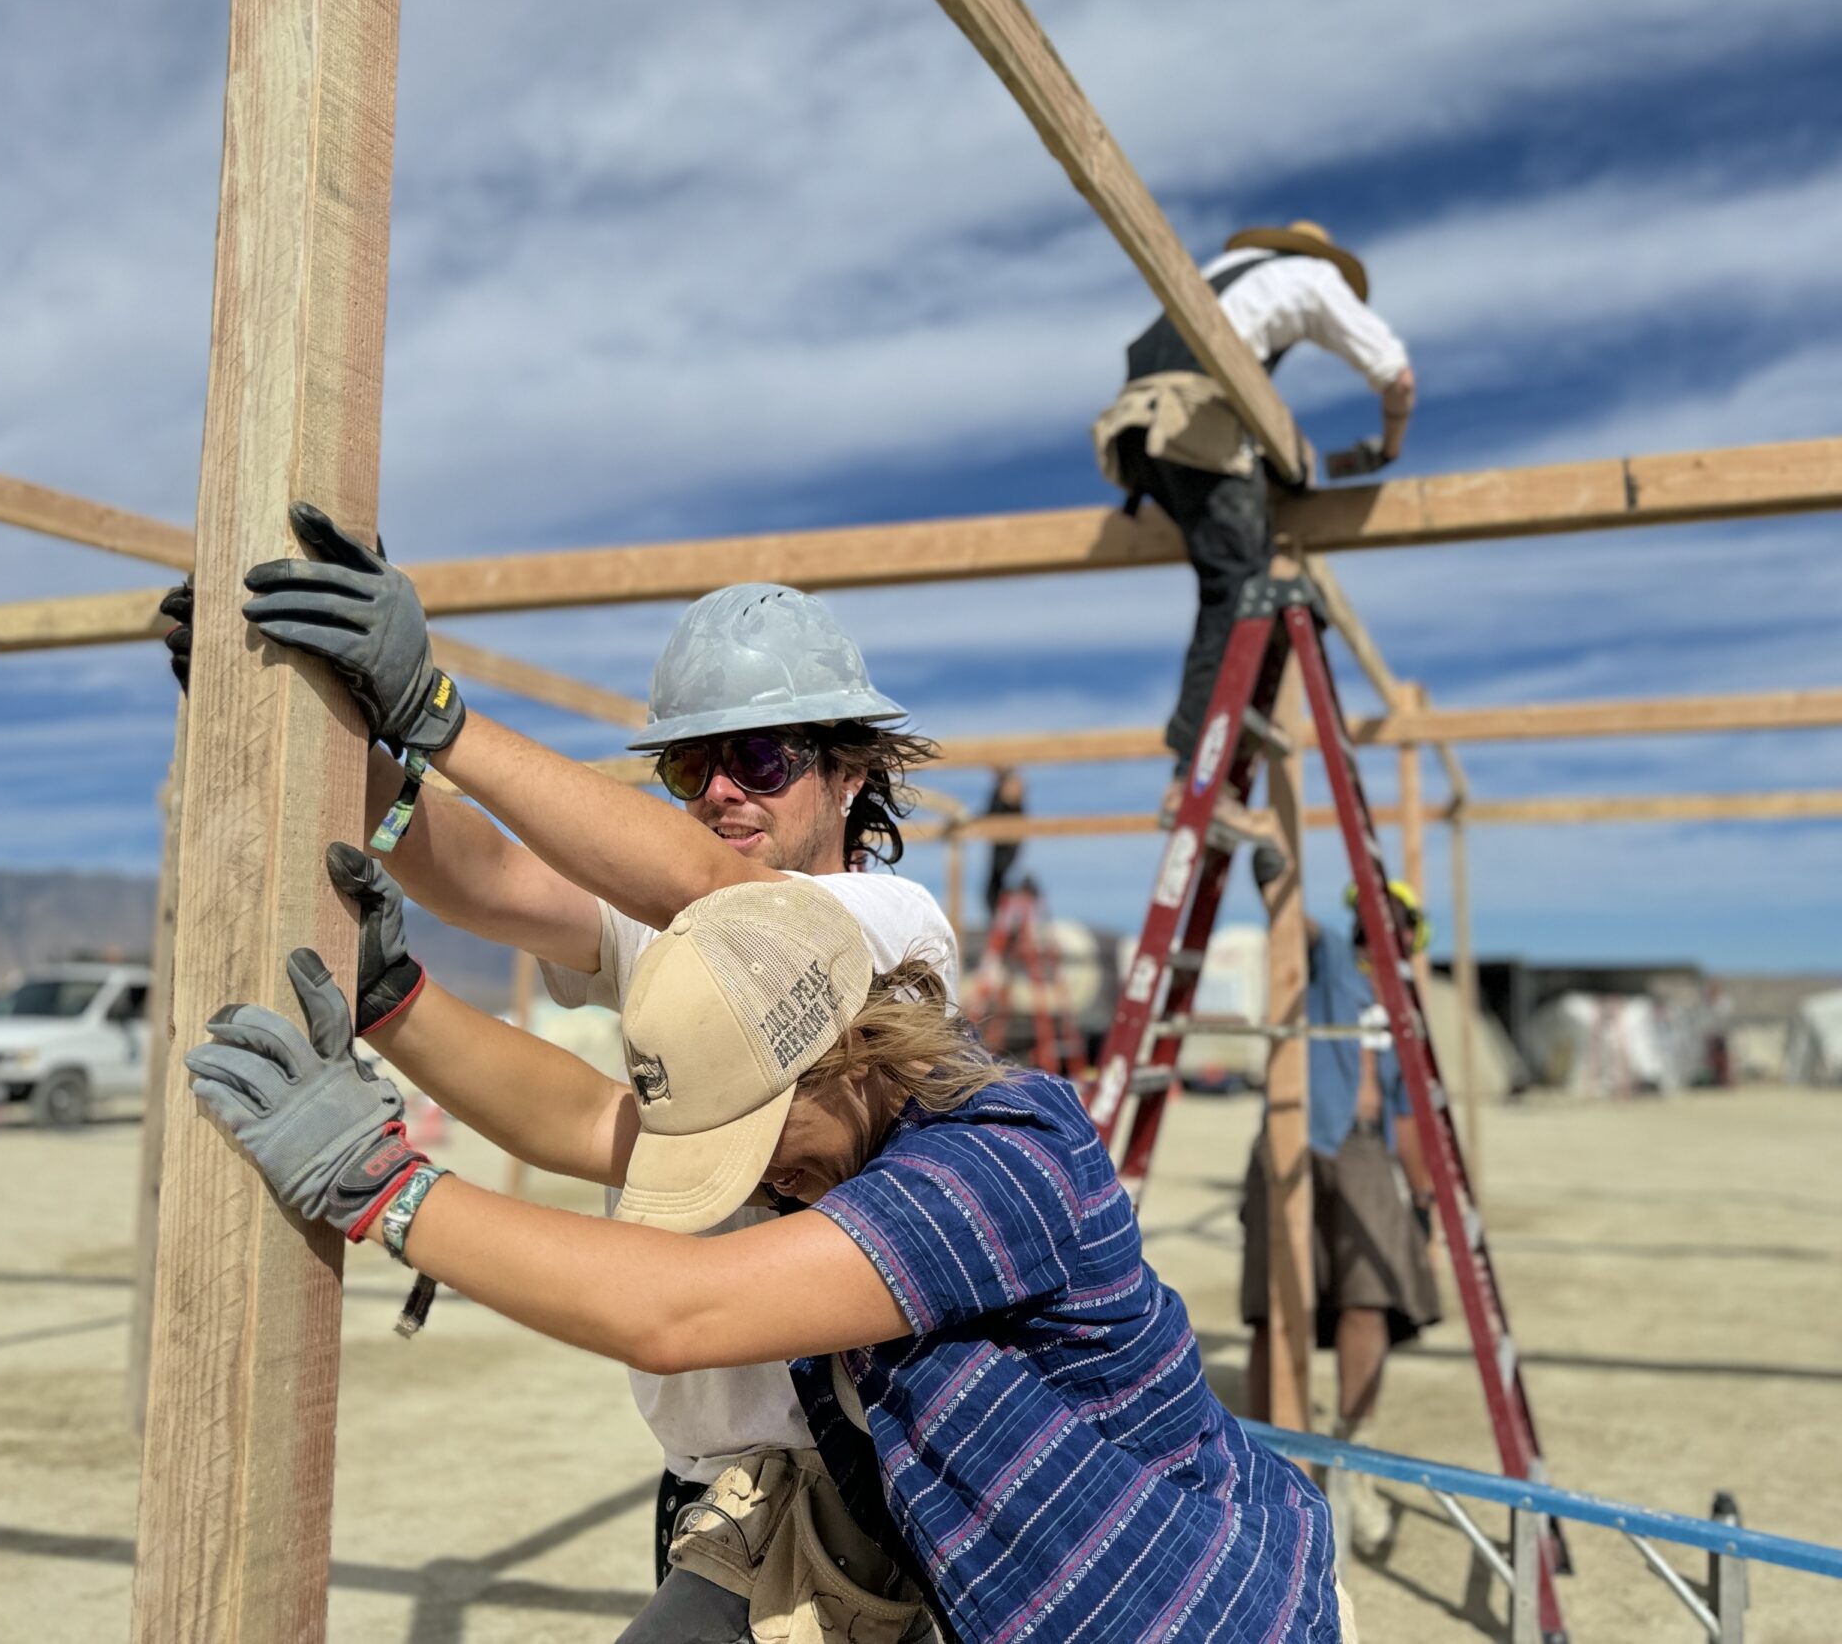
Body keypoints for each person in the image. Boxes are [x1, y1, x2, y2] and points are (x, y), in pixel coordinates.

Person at [185, 873, 1355, 1643]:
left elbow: (674, 1315)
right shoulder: (849, 1134)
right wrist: (399, 1006)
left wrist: (386, 1187)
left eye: (759, 1144)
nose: (750, 1182)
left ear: (847, 1051)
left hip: (1211, 1610)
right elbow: (593, 1125)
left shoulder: (995, 1162)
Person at [162, 510, 958, 1638]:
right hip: (710, 1483)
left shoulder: (887, 928)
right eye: (694, 764)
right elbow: (586, 1095)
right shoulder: (683, 937)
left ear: (849, 774)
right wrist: (305, 726)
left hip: (837, 1494)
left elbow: (702, 888)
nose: (724, 791)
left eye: (763, 758)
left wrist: (439, 715)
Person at [1090, 221, 1417, 823]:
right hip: (1193, 419)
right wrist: (1389, 445)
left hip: (1135, 432)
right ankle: (1199, 778)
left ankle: (1208, 771)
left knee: (1241, 549)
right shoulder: (1312, 277)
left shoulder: (1217, 277)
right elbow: (1396, 375)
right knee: (1241, 586)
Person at [1241, 867, 1439, 1556]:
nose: (1377, 929)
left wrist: (1422, 1197)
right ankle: (1266, 1469)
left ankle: (1356, 1464)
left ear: (1413, 937)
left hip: (1360, 1153)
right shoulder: (1331, 964)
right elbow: (1293, 920)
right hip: (1295, 1135)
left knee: (1368, 1303)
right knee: (1273, 1308)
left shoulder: (1406, 1008)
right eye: (1370, 917)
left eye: (1395, 921)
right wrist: (1269, 863)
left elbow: (1410, 1114)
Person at [979, 768, 1025, 918]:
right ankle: (998, 914)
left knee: (996, 884)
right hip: (1001, 844)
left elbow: (1013, 800)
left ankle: (1001, 914)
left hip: (1007, 844)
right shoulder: (1000, 790)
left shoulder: (1011, 786)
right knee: (994, 887)